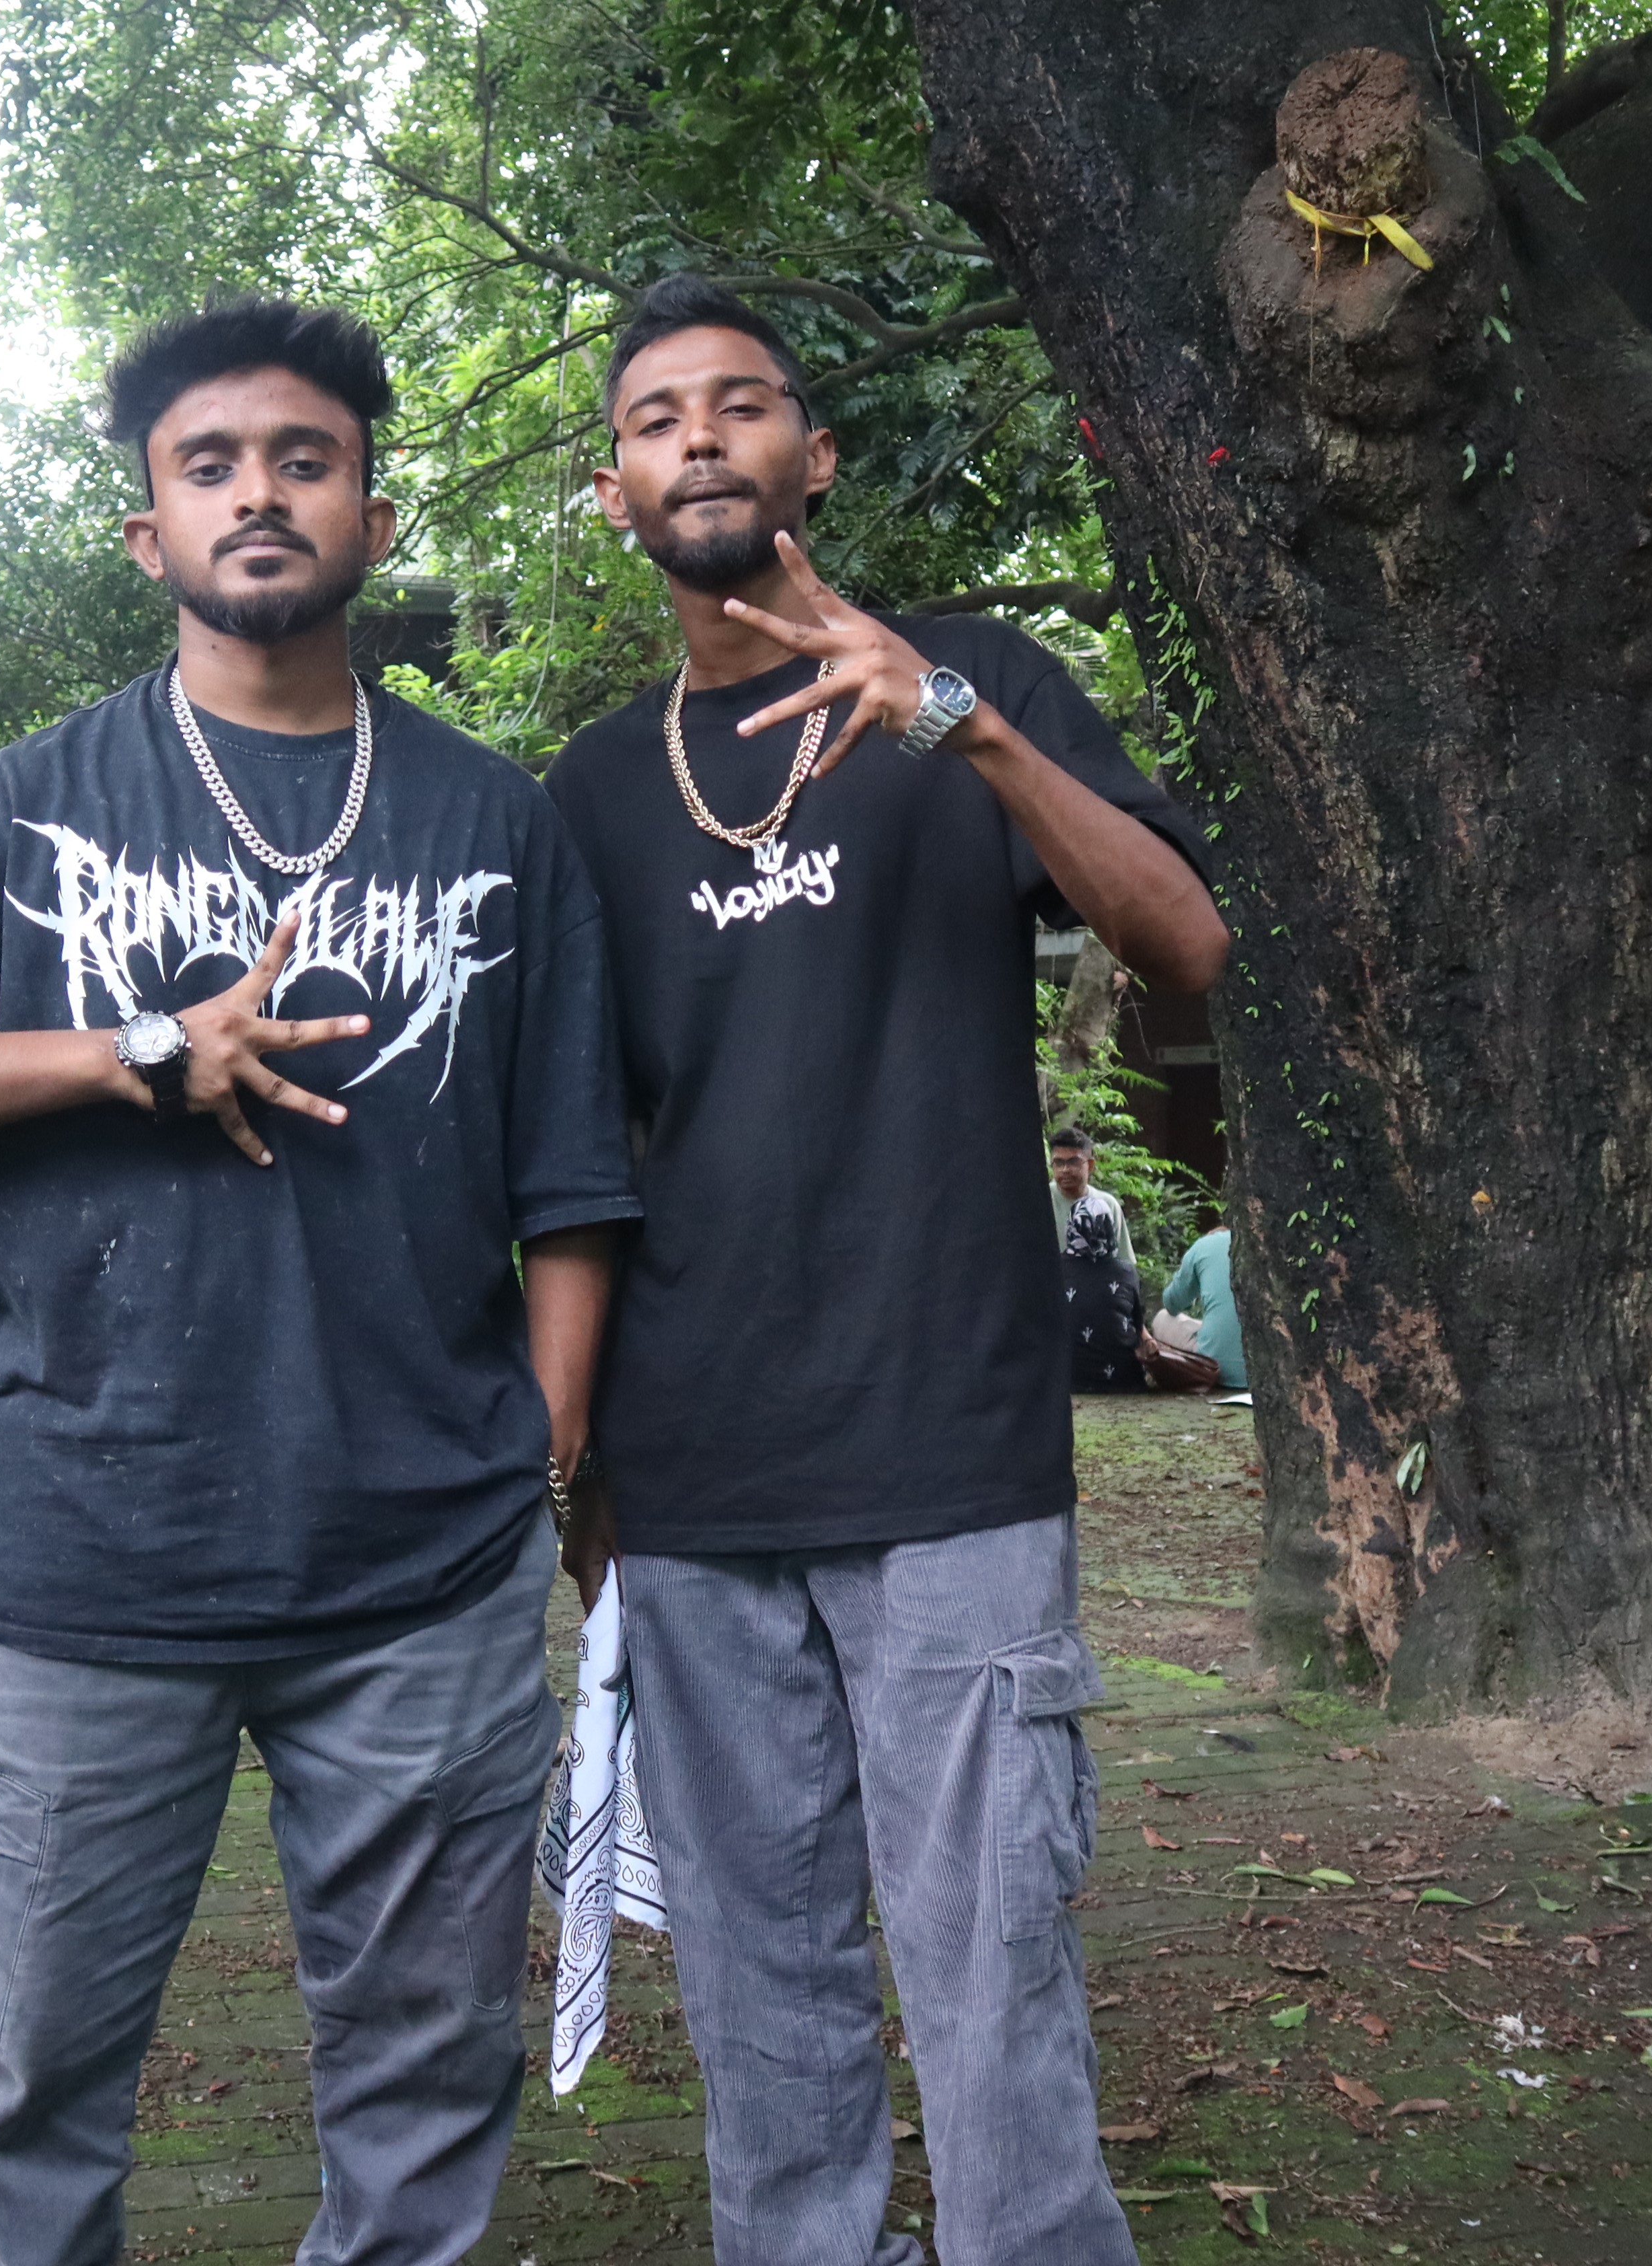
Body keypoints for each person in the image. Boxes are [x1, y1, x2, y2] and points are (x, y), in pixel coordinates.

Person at [0, 301, 639, 2266]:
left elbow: (575, 1180)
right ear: (148, 531)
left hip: (422, 1562)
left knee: (428, 2071)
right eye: (209, 464)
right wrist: (127, 1051)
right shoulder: (33, 807)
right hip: (89, 1548)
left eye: (304, 459)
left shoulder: (498, 822)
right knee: (31, 2074)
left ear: (372, 520)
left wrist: (548, 1455)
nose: (259, 493)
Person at [544, 275, 1230, 2266]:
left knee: (991, 1962)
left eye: (738, 403)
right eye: (655, 417)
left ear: (813, 458)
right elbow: (579, 1154)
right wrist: (581, 1471)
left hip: (952, 1461)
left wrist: (960, 724)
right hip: (697, 1482)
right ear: (616, 491)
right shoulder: (590, 794)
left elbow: (1187, 940)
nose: (697, 437)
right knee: (757, 1982)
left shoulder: (974, 682)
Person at [1047, 1127, 1148, 1393]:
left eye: (1073, 1162)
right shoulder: (1041, 1202)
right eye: (1058, 1163)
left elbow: (1125, 1270)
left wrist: (1143, 1333)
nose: (1065, 1170)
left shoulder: (1107, 1205)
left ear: (1090, 1165)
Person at [1156, 1220, 1248, 1391]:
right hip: (1266, 1369)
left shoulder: (1205, 1245)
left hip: (1213, 1366)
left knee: (1161, 1319)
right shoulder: (1272, 1247)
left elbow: (1171, 1304)